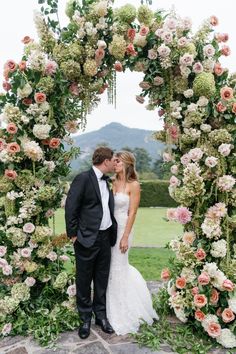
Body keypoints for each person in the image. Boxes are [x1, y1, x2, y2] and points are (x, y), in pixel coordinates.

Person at [65, 147, 117, 339]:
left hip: (105, 237)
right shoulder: (83, 178)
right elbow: (71, 207)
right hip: (86, 238)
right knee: (84, 280)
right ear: (105, 161)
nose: (115, 163)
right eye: (113, 160)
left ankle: (101, 317)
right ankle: (85, 318)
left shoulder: (107, 181)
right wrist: (73, 234)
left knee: (102, 279)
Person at [106, 151, 158, 335]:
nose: (115, 164)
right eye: (114, 161)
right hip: (109, 229)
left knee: (119, 267)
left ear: (126, 163)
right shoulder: (111, 182)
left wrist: (125, 236)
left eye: (117, 161)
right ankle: (107, 307)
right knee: (109, 268)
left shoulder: (133, 185)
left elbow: (133, 213)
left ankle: (122, 311)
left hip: (123, 229)